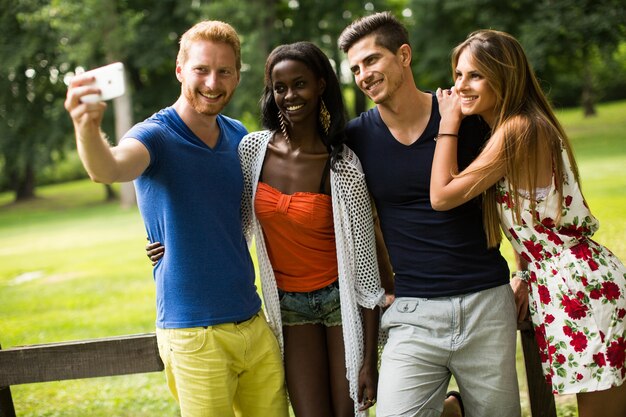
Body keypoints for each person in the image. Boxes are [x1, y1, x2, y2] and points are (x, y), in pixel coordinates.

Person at [149, 40, 388, 417]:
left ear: (321, 85)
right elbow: (227, 215)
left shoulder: (343, 166)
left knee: (348, 413)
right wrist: (167, 242)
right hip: (290, 308)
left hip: (341, 305)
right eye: (280, 87)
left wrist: (369, 363)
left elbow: (368, 276)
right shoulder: (252, 151)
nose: (289, 95)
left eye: (300, 84)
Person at [64, 20, 289, 417]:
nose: (212, 82)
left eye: (224, 71)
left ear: (237, 76)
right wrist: (87, 127)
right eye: (202, 69)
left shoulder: (238, 135)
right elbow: (109, 167)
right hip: (193, 334)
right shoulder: (155, 135)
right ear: (180, 69)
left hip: (254, 323)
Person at [430, 29, 626, 417]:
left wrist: (447, 121)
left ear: (503, 76)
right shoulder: (513, 128)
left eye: (474, 75)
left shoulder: (519, 129)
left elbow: (441, 195)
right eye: (457, 75)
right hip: (565, 282)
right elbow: (532, 223)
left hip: (580, 288)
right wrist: (524, 274)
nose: (460, 86)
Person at [338, 12, 522, 417]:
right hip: (414, 310)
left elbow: (516, 198)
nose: (363, 74)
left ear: (403, 55)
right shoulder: (356, 138)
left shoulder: (468, 117)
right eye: (355, 68)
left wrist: (524, 271)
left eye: (371, 60)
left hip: (486, 302)